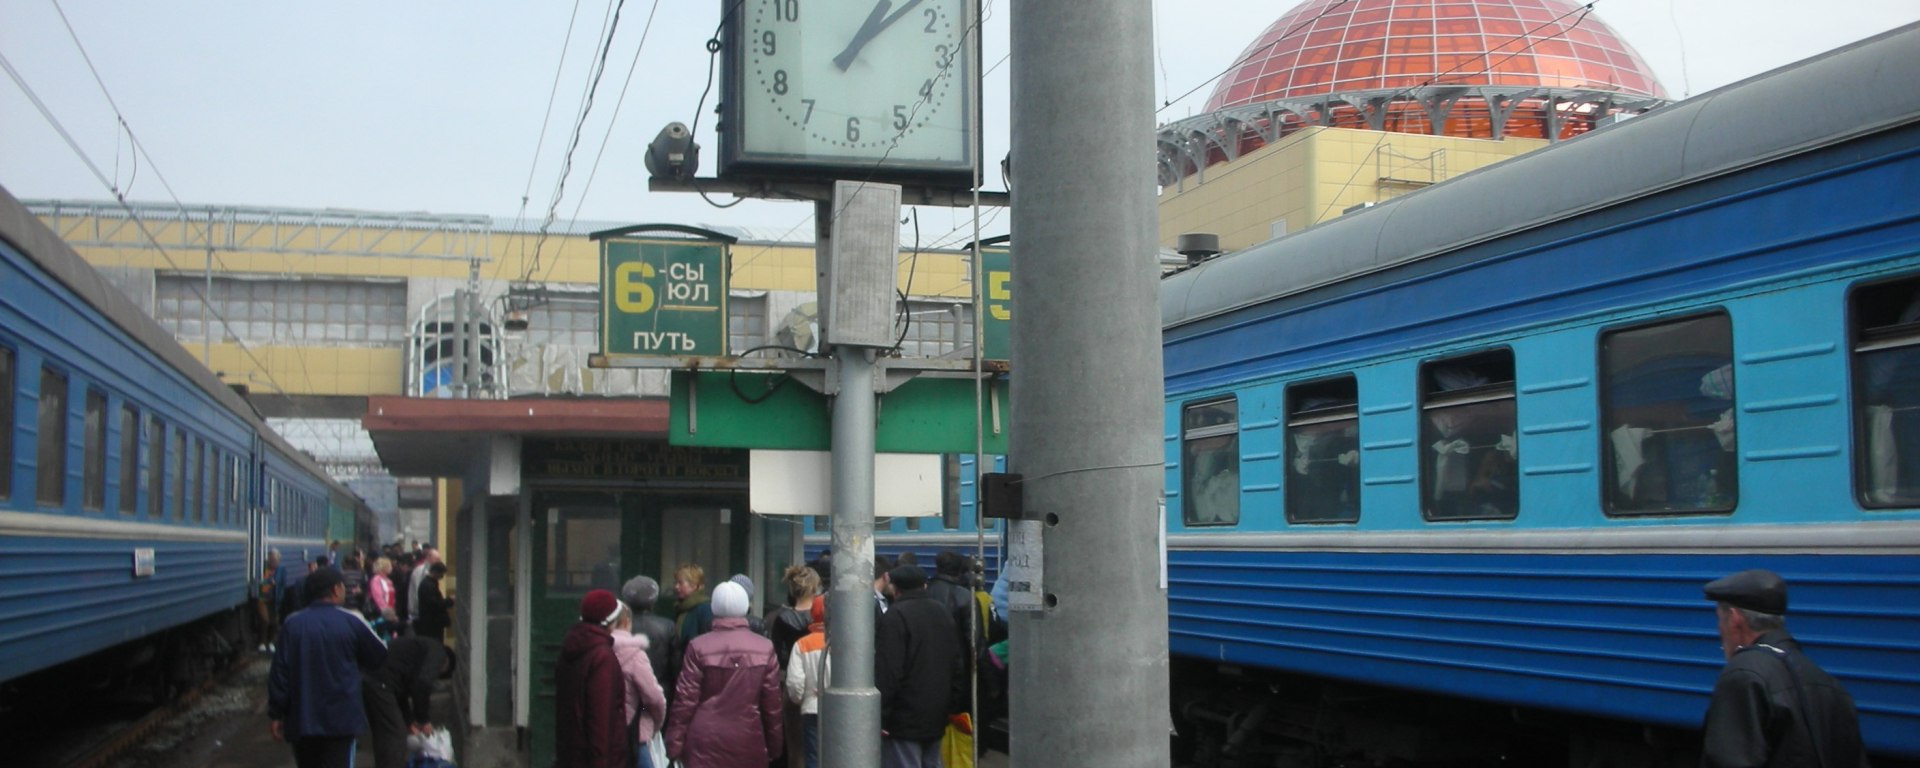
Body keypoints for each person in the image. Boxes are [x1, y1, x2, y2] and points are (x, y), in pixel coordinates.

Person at [1700, 568, 1869, 768]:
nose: (1719, 630)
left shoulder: (1744, 675)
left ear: (1735, 619)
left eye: (1720, 619)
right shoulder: (1827, 684)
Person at [267, 568, 389, 768]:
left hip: (302, 718)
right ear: (336, 589)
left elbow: (280, 674)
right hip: (341, 720)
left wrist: (276, 713)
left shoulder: (292, 624)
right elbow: (379, 656)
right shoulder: (352, 620)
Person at [666, 581, 784, 768]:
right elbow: (772, 704)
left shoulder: (698, 646)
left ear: (714, 608)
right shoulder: (764, 647)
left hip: (704, 737)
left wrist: (674, 743)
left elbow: (685, 700)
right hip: (748, 736)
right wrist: (775, 745)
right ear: (746, 606)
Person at [875, 565, 964, 768]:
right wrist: (952, 705)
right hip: (937, 713)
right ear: (924, 585)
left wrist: (882, 716)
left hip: (903, 718)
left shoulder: (895, 616)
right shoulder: (943, 612)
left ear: (895, 589)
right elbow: (956, 662)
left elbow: (889, 671)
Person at [556, 589, 631, 768]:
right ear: (611, 622)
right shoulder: (602, 657)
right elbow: (601, 717)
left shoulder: (569, 648)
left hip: (571, 753)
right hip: (598, 758)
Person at [362, 634, 451, 768]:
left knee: (384, 733)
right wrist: (423, 720)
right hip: (381, 682)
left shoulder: (415, 655)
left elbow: (401, 693)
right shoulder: (438, 653)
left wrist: (409, 720)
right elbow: (422, 684)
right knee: (395, 734)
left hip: (373, 678)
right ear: (446, 664)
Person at [766, 567, 818, 768]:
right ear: (813, 588)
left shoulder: (781, 619)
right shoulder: (820, 619)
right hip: (819, 686)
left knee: (796, 749)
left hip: (792, 685)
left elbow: (778, 654)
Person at [610, 598, 669, 768]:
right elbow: (654, 698)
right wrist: (654, 723)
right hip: (634, 735)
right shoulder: (635, 654)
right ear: (627, 622)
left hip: (601, 736)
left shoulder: (597, 649)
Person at [784, 597, 829, 768]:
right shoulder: (846, 643)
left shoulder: (802, 644)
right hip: (842, 709)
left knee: (813, 758)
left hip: (813, 708)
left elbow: (795, 684)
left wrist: (800, 699)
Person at [622, 575, 678, 694]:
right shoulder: (667, 626)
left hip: (629, 693)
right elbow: (675, 665)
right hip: (659, 692)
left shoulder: (619, 627)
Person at [413, 562, 453, 642]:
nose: (442, 577)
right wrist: (449, 601)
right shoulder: (429, 585)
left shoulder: (427, 584)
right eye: (441, 574)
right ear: (435, 572)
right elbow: (434, 604)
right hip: (432, 625)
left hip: (430, 624)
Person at [408, 544, 441, 632]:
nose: (438, 562)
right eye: (437, 559)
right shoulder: (421, 572)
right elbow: (418, 592)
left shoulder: (426, 571)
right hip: (419, 614)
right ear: (429, 558)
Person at [257, 549, 282, 652]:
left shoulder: (280, 571)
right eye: (272, 560)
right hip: (263, 599)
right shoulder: (265, 570)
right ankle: (262, 642)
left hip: (274, 599)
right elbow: (262, 587)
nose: (273, 562)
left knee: (275, 621)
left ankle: (271, 642)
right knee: (265, 620)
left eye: (275, 560)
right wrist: (270, 584)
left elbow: (281, 585)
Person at [369, 556, 398, 638]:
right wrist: (386, 613)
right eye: (389, 566)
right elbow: (378, 597)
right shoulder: (376, 580)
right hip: (381, 613)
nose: (391, 568)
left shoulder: (389, 581)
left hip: (390, 611)